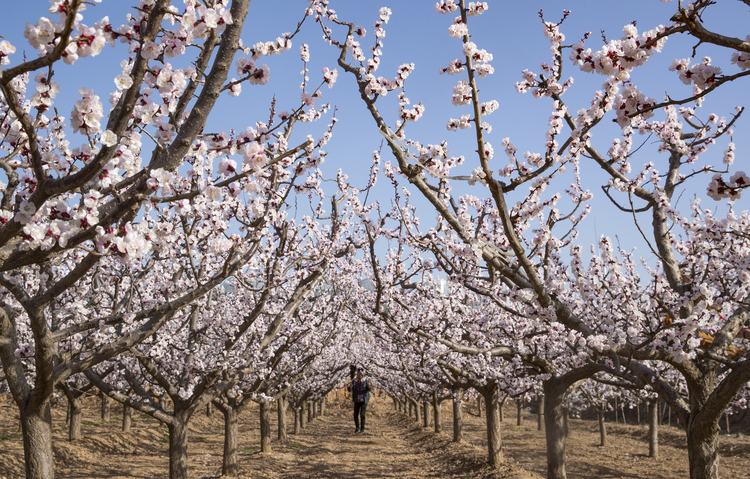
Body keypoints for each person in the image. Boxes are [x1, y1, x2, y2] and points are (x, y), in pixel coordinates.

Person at [347, 368, 372, 433]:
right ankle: (357, 427)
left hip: (364, 400)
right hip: (356, 400)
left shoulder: (366, 380)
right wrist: (350, 387)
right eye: (358, 373)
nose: (359, 375)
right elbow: (349, 390)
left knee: (362, 414)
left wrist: (369, 386)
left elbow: (369, 389)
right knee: (355, 414)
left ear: (362, 374)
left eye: (360, 373)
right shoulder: (354, 381)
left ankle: (362, 428)